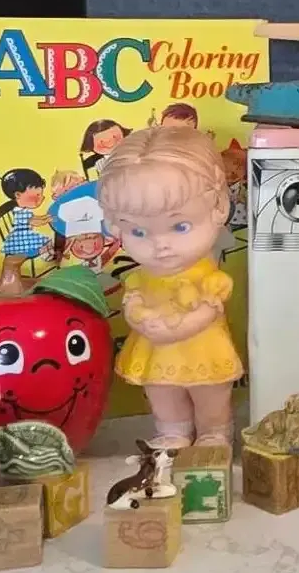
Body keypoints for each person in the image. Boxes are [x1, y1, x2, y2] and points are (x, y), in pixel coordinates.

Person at [98, 126, 243, 449]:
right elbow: (132, 302)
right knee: (162, 392)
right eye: (138, 232)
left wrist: (174, 328)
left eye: (180, 226)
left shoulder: (210, 278)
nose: (160, 245)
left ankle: (214, 432)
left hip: (202, 350)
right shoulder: (140, 277)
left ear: (218, 206)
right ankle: (172, 431)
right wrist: (140, 319)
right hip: (157, 353)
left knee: (210, 395)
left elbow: (207, 312)